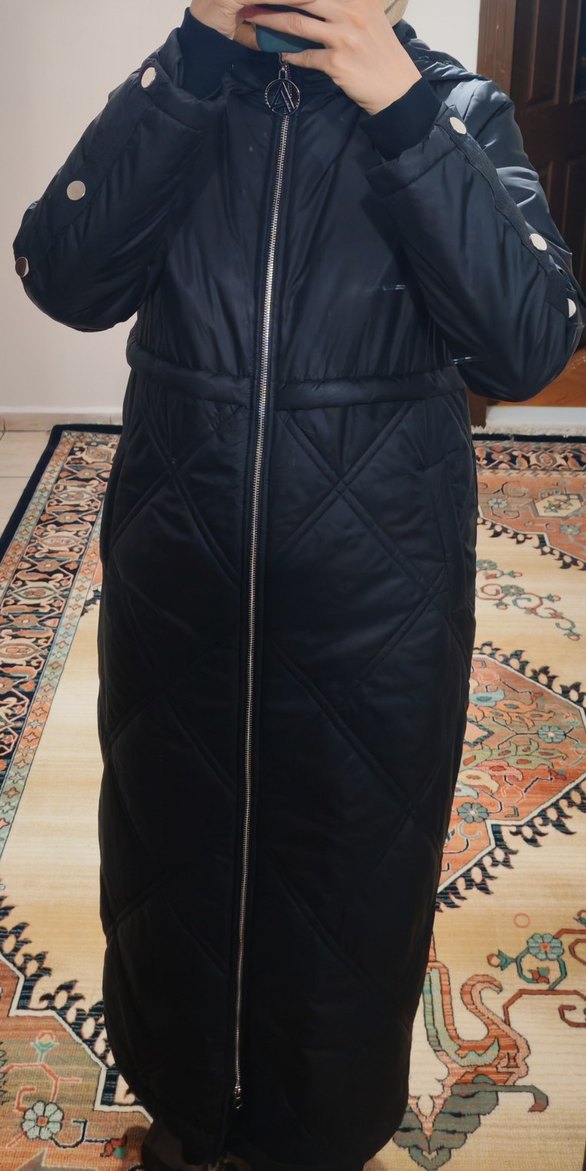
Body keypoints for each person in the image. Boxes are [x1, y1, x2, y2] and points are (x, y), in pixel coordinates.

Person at [12, 1, 586, 1170]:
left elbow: (527, 346)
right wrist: (189, 56)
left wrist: (405, 113)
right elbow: (64, 274)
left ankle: (318, 1139)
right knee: (166, 854)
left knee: (351, 874)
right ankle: (184, 1114)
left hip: (378, 594)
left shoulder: (455, 109)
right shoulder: (188, 92)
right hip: (182, 571)